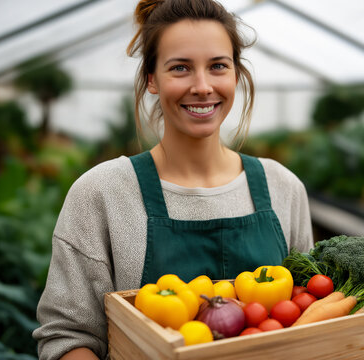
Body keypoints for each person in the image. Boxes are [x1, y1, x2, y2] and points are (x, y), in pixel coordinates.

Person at [33, 0, 314, 359]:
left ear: (236, 74)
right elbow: (68, 337)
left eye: (218, 66)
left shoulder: (283, 187)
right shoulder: (102, 193)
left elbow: (308, 320)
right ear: (151, 79)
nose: (202, 86)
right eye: (180, 68)